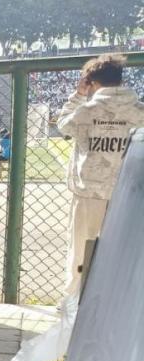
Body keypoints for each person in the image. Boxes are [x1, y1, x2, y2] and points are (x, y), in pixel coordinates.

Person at [56, 54, 144, 297]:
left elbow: (63, 125)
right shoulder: (139, 112)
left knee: (81, 250)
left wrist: (78, 96)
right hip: (129, 194)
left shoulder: (86, 111)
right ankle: (116, 300)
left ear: (92, 82)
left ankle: (75, 299)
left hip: (89, 193)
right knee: (124, 252)